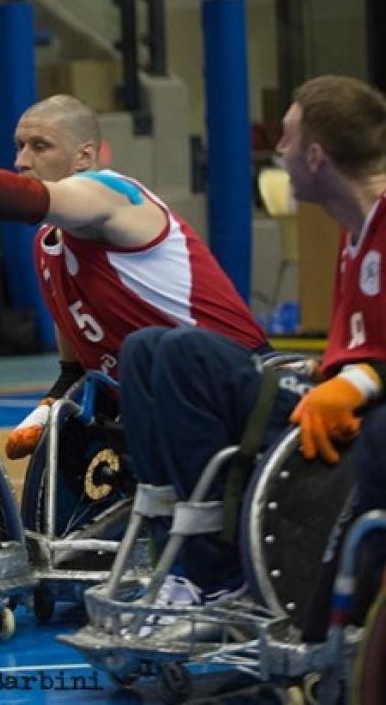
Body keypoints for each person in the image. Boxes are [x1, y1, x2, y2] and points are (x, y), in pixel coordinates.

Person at [0, 95, 268, 461]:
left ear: (84, 155)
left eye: (40, 146)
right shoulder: (48, 244)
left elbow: (26, 198)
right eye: (19, 145)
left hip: (229, 380)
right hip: (151, 399)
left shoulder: (112, 193)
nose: (23, 159)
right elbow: (74, 368)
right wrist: (44, 411)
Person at [112, 76, 386, 607]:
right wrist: (333, 370)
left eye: (286, 138)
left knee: (185, 354)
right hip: (331, 401)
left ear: (315, 156)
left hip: (360, 419)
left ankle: (217, 571)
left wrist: (357, 380)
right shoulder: (353, 232)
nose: (277, 151)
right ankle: (175, 553)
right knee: (145, 348)